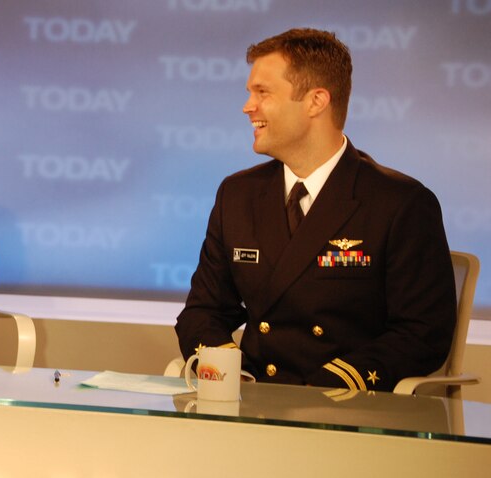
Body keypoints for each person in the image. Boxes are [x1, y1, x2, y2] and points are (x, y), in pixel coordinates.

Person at [175, 28, 456, 391]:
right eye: (250, 93)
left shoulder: (400, 203)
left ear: (315, 101)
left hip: (348, 415)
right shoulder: (238, 195)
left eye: (262, 92)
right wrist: (231, 372)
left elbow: (422, 333)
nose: (248, 107)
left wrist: (324, 389)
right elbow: (203, 311)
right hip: (253, 405)